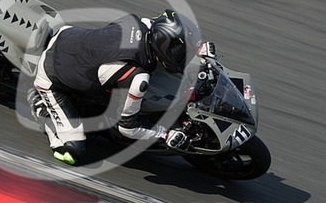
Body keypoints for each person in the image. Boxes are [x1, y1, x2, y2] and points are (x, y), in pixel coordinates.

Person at [27, 9, 214, 165]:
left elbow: (160, 24)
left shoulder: (138, 22)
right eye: (181, 52)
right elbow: (128, 128)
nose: (183, 56)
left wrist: (198, 49)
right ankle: (40, 106)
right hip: (52, 73)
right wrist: (165, 135)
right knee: (72, 151)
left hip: (69, 36)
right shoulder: (137, 77)